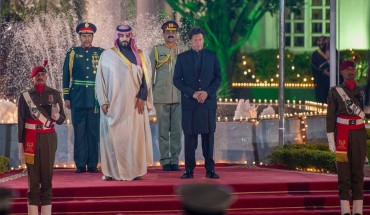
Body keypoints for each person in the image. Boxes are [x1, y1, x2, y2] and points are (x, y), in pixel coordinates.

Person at [95, 24, 155, 181]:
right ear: (117, 37)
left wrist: (143, 98)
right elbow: (99, 80)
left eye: (127, 36)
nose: (124, 39)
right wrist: (103, 101)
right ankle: (111, 172)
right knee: (112, 139)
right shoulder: (107, 55)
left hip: (135, 106)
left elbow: (146, 80)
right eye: (121, 36)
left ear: (131, 37)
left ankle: (134, 171)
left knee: (133, 139)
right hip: (113, 107)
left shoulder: (140, 56)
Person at [18, 60, 66, 215]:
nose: (40, 76)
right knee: (33, 180)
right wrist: (20, 144)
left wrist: (57, 115)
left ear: (46, 76)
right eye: (37, 74)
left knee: (47, 177)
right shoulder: (24, 96)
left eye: (43, 74)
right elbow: (21, 122)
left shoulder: (55, 94)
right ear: (32, 78)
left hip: (48, 139)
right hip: (30, 139)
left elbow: (62, 119)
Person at [173, 27, 222, 179]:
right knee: (190, 139)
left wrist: (207, 92)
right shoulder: (182, 58)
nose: (198, 42)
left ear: (203, 40)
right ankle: (189, 170)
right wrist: (192, 93)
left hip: (208, 104)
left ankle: (210, 169)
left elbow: (218, 78)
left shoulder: (212, 56)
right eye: (195, 40)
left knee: (209, 139)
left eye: (200, 40)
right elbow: (176, 80)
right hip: (190, 104)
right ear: (190, 41)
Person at [62, 22, 103, 173]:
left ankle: (92, 164)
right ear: (79, 37)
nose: (87, 38)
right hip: (77, 97)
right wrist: (66, 96)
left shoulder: (100, 52)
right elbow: (66, 74)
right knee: (79, 132)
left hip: (94, 98)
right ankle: (80, 164)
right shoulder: (72, 52)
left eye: (89, 35)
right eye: (84, 35)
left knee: (93, 132)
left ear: (93, 37)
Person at [326, 60, 366, 215]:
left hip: (359, 134)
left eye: (353, 69)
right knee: (343, 174)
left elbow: (367, 113)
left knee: (358, 173)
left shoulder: (362, 91)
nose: (351, 71)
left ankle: (358, 211)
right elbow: (330, 117)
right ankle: (345, 211)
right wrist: (331, 140)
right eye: (348, 69)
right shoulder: (335, 91)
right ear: (341, 72)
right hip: (342, 134)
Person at [149, 20, 187, 171]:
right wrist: (148, 93)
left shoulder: (183, 50)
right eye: (168, 32)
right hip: (161, 95)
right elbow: (150, 72)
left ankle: (175, 160)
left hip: (179, 95)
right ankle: (165, 160)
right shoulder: (157, 50)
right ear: (163, 34)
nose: (171, 34)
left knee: (177, 130)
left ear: (176, 34)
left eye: (173, 32)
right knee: (163, 130)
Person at [311, 36, 330, 103]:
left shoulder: (333, 52)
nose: (321, 42)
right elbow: (314, 67)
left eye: (323, 40)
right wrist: (323, 71)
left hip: (331, 80)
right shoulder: (315, 54)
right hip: (320, 81)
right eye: (319, 40)